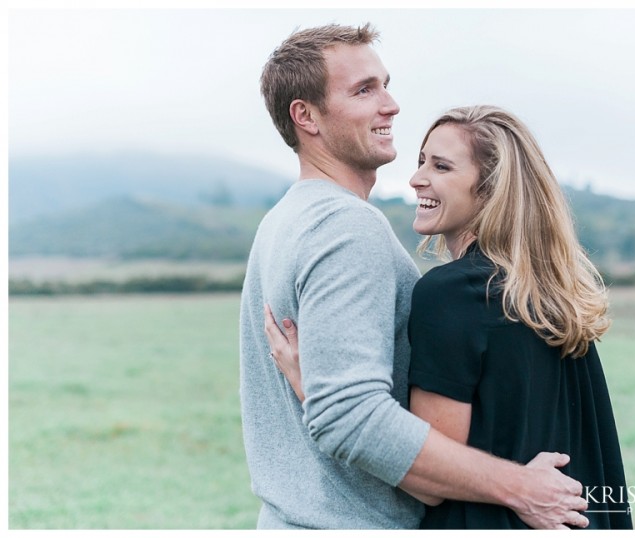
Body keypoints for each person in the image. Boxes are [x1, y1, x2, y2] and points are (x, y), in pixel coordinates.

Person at [240, 23, 588, 530]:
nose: (392, 105)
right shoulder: (346, 227)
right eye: (364, 90)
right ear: (305, 116)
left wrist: (313, 388)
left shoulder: (282, 222)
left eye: (385, 84)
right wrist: (521, 486)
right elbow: (346, 415)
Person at [266, 106, 633, 529]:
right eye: (422, 161)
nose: (416, 178)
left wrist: (316, 390)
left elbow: (426, 482)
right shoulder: (552, 296)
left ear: (491, 190)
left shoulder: (451, 294)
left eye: (441, 166)